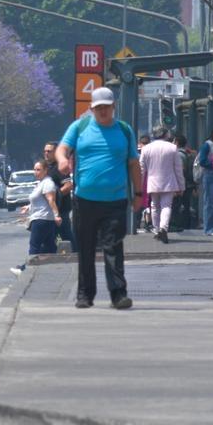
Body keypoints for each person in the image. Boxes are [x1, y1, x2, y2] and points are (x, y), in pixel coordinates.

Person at [56, 86, 141, 310]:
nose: (103, 111)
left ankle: (118, 294)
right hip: (85, 200)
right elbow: (62, 148)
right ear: (91, 109)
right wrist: (62, 160)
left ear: (114, 107)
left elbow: (134, 163)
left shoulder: (124, 130)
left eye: (106, 107)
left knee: (113, 247)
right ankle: (85, 294)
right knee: (86, 248)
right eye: (98, 108)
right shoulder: (80, 127)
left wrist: (139, 194)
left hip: (115, 200)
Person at [11, 161, 62, 274]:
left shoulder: (48, 183)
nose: (36, 172)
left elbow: (51, 200)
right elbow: (40, 201)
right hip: (44, 219)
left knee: (34, 247)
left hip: (41, 220)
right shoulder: (41, 183)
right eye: (35, 169)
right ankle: (56, 269)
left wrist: (57, 216)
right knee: (50, 248)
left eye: (38, 170)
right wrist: (28, 207)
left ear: (45, 170)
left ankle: (25, 270)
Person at [139, 126, 184, 244]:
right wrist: (181, 186)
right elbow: (178, 169)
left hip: (152, 182)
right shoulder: (172, 148)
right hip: (169, 182)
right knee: (166, 206)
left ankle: (157, 230)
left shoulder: (146, 148)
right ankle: (164, 228)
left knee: (154, 206)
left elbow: (142, 169)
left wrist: (139, 185)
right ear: (166, 135)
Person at [43, 142, 73, 244]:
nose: (46, 153)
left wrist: (54, 196)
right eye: (45, 151)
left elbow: (68, 185)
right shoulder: (48, 168)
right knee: (50, 238)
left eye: (49, 151)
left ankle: (75, 252)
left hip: (61, 210)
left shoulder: (58, 168)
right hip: (50, 211)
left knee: (67, 237)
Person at [172, 134, 197, 230]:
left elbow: (181, 170)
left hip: (182, 184)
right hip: (189, 184)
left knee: (178, 205)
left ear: (177, 143)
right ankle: (186, 224)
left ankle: (179, 225)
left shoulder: (179, 154)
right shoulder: (189, 154)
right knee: (186, 205)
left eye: (174, 141)